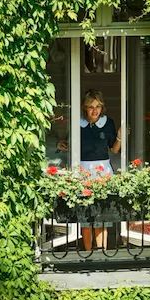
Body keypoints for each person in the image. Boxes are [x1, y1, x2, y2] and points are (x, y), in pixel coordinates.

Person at [57, 89, 123, 250]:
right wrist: (61, 145)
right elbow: (67, 145)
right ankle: (88, 254)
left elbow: (114, 150)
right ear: (84, 108)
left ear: (102, 107)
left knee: (102, 215)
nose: (95, 110)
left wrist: (120, 137)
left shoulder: (108, 123)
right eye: (91, 106)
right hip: (83, 171)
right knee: (86, 216)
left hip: (103, 171)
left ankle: (101, 254)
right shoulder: (77, 124)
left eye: (98, 106)